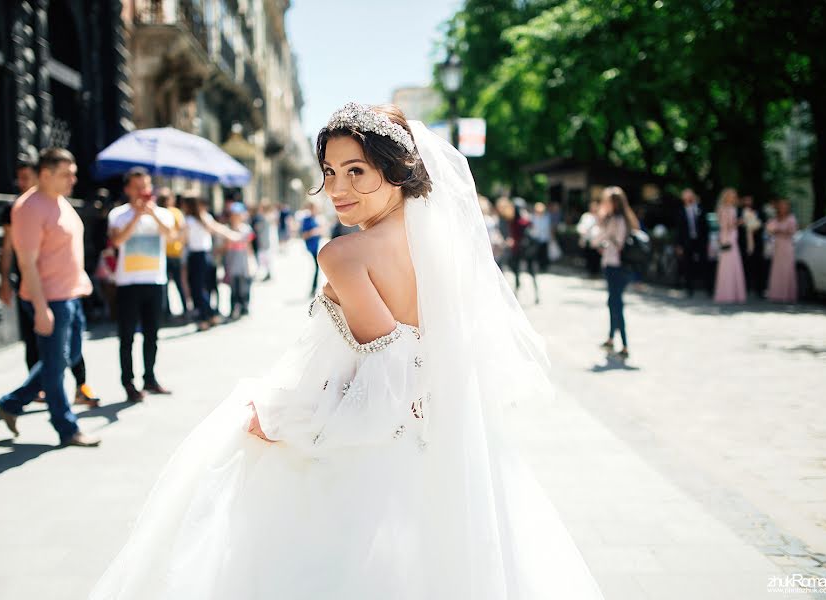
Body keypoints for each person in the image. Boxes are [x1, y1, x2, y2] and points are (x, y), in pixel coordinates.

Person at [89, 103, 605, 600]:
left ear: (398, 169)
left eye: (356, 171)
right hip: (442, 441)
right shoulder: (442, 241)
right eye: (330, 171)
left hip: (371, 453)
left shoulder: (343, 253)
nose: (337, 188)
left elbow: (391, 374)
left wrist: (286, 423)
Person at [0, 148, 100, 447]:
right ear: (45, 174)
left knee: (67, 356)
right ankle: (68, 429)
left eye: (73, 172)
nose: (73, 179)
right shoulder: (28, 208)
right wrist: (41, 309)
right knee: (55, 367)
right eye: (66, 174)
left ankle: (12, 402)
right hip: (50, 299)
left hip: (71, 295)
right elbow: (26, 263)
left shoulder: (59, 201)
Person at [108, 168, 175, 402]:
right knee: (126, 336)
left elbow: (171, 235)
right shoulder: (118, 214)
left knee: (152, 335)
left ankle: (150, 378)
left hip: (155, 281)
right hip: (128, 282)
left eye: (145, 186)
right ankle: (128, 382)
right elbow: (116, 241)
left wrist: (152, 213)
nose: (142, 191)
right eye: (137, 187)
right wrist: (136, 215)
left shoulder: (163, 213)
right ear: (127, 189)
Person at [591, 186, 639, 359]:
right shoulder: (624, 218)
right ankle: (611, 339)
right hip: (619, 266)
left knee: (616, 304)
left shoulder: (616, 220)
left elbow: (602, 238)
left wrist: (601, 241)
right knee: (613, 302)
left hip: (615, 266)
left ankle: (625, 345)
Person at [183, 194, 241, 331]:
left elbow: (184, 240)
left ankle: (204, 318)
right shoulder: (204, 217)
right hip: (207, 256)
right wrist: (233, 236)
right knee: (208, 287)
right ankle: (211, 315)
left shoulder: (189, 220)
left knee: (197, 288)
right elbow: (218, 229)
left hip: (196, 256)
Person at [497, 196, 540, 303]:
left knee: (520, 272)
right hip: (522, 250)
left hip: (522, 249)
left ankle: (524, 294)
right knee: (527, 272)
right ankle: (530, 294)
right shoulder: (522, 220)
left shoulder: (519, 220)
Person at [157, 187, 189, 320]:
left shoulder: (158, 213)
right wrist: (182, 244)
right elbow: (183, 230)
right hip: (174, 252)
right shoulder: (175, 212)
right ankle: (185, 309)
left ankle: (166, 311)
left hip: (163, 253)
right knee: (178, 282)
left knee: (165, 284)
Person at [713, 187, 747, 304]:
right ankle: (726, 293)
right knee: (727, 265)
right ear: (726, 196)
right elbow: (726, 226)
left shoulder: (732, 208)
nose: (734, 197)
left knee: (733, 264)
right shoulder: (723, 209)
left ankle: (733, 293)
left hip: (732, 237)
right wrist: (740, 222)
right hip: (727, 238)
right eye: (732, 195)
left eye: (734, 195)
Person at [223, 202, 255, 318]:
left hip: (243, 261)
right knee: (233, 287)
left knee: (244, 286)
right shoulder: (227, 229)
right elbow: (225, 247)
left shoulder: (246, 229)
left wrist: (251, 261)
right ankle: (234, 307)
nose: (235, 217)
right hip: (232, 261)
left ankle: (244, 306)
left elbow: (249, 247)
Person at [675, 188, 709, 296]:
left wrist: (707, 242)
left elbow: (705, 227)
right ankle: (689, 289)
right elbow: (679, 229)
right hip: (687, 242)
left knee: (704, 263)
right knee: (687, 265)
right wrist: (678, 245)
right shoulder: (680, 211)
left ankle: (709, 288)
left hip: (700, 241)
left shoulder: (699, 209)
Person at [765, 199, 798, 303]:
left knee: (786, 269)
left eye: (784, 206)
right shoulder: (775, 218)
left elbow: (792, 232)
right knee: (777, 269)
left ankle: (787, 294)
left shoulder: (791, 218)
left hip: (787, 246)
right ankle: (776, 294)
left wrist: (779, 231)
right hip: (777, 246)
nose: (782, 207)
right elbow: (769, 230)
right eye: (781, 206)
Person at [738, 195, 765, 296]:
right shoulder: (739, 212)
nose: (747, 201)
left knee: (759, 266)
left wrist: (756, 226)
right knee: (744, 267)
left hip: (757, 243)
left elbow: (763, 224)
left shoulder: (759, 211)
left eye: (749, 199)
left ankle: (760, 289)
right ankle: (745, 289)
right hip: (743, 244)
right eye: (746, 199)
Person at [300, 201, 323, 298]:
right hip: (311, 247)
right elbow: (304, 235)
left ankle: (314, 288)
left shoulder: (315, 219)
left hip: (316, 246)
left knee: (317, 268)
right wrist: (314, 232)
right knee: (316, 268)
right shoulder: (307, 220)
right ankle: (313, 289)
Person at [576, 200, 601, 276]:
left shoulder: (600, 216)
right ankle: (590, 272)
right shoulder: (586, 216)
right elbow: (580, 227)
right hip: (588, 240)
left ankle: (596, 272)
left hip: (598, 240)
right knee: (589, 256)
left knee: (596, 257)